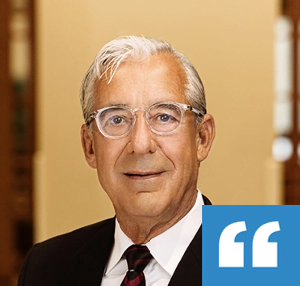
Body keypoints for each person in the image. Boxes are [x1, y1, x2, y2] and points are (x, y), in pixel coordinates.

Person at [17, 36, 215, 286]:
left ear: (201, 138)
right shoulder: (45, 267)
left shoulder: (263, 259)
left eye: (164, 117)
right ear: (89, 146)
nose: (141, 145)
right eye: (117, 119)